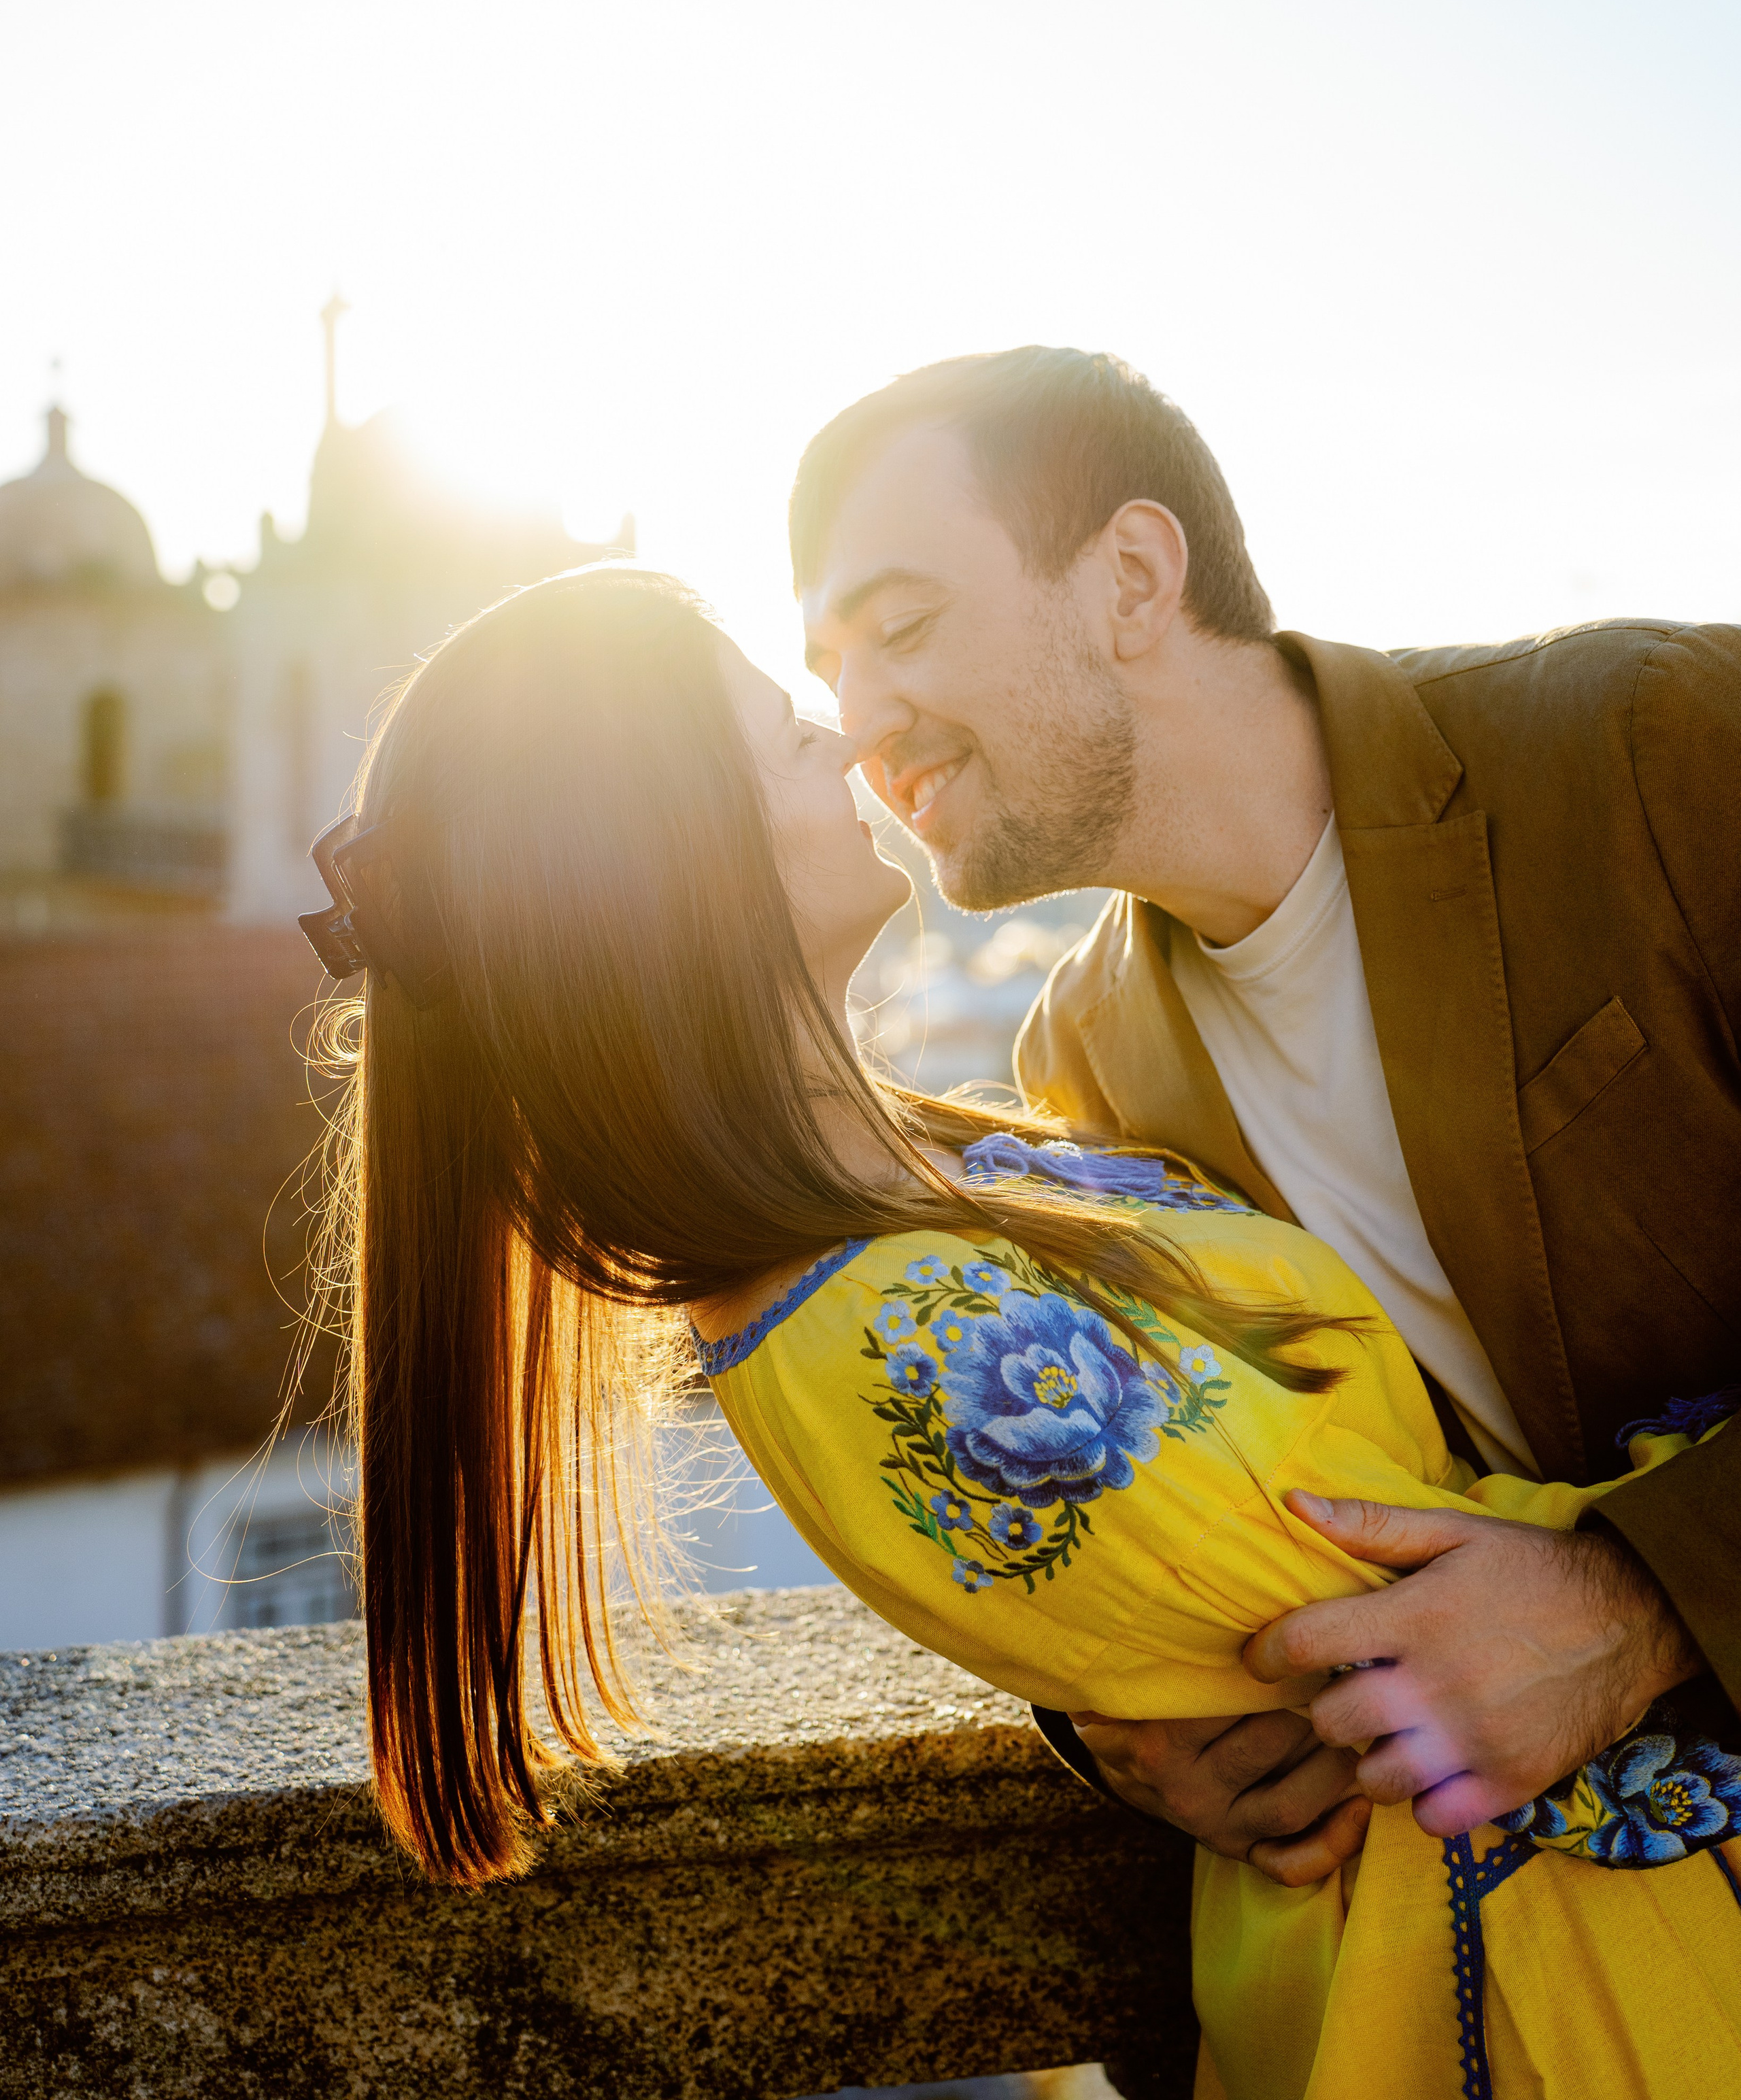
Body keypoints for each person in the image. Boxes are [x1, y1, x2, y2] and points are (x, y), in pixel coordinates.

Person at [301, 566, 1741, 2099]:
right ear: (669, 863)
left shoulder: (934, 1188)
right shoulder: (887, 1321)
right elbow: (1436, 1607)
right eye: (783, 732)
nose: (844, 745)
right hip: (1560, 2007)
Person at [789, 345, 1741, 1884]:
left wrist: (1638, 1603)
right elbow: (1171, 1495)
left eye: (899, 626)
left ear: (1132, 576)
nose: (852, 720)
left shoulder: (1656, 746)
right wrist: (1136, 1739)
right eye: (828, 663)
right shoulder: (1086, 1060)